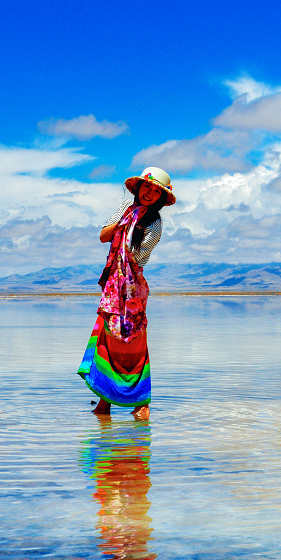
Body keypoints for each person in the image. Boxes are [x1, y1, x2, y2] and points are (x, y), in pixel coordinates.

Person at [78, 167, 175, 420]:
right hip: (114, 285)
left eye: (157, 192)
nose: (150, 194)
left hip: (132, 288)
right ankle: (104, 402)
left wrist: (134, 229)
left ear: (162, 199)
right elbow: (103, 236)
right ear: (138, 188)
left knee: (133, 343)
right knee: (107, 340)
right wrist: (124, 222)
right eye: (147, 188)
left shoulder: (154, 223)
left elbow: (140, 257)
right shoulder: (124, 207)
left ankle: (141, 403)